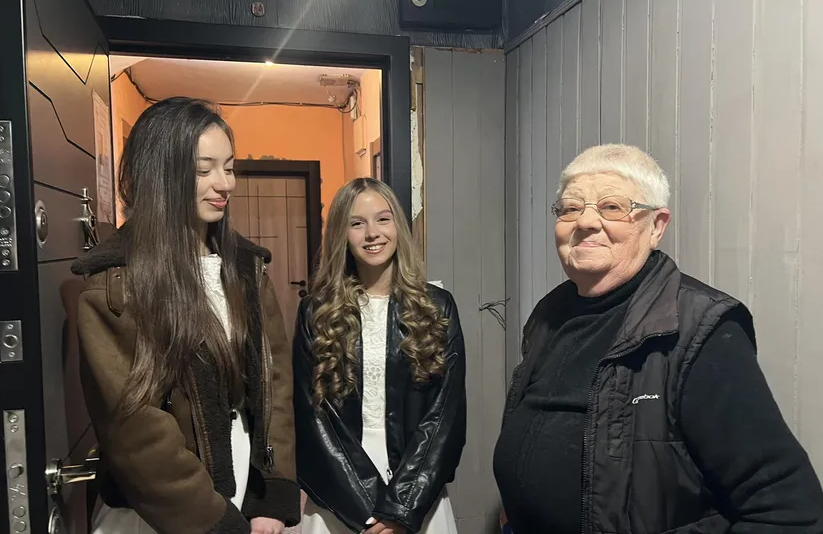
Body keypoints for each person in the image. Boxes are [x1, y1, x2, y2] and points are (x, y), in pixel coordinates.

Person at [494, 144, 823, 533]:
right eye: (570, 208)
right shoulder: (549, 313)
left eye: (612, 207)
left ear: (656, 227)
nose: (585, 221)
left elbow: (788, 512)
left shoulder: (700, 329)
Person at [71, 97, 299, 534]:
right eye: (203, 169)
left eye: (229, 167)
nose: (225, 183)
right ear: (161, 174)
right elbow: (136, 430)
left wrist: (272, 492)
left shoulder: (246, 269)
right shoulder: (117, 284)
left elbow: (276, 387)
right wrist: (214, 522)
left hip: (243, 491)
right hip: (165, 514)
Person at [292, 178, 466, 534]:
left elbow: (445, 416)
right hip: (338, 489)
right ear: (341, 234)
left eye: (383, 219)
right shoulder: (317, 311)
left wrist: (401, 508)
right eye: (357, 223)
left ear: (398, 226)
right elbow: (313, 417)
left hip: (415, 486)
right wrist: (370, 512)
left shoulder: (436, 307)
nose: (372, 233)